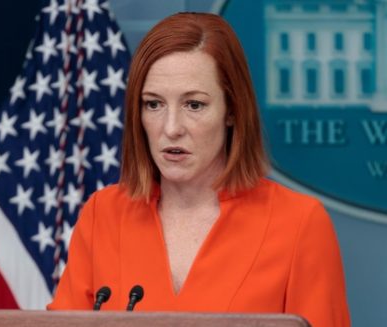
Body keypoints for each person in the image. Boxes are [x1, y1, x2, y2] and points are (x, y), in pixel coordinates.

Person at [48, 12, 350, 327]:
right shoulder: (103, 214)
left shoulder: (298, 224)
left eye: (194, 105)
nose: (171, 128)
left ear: (232, 111)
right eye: (153, 104)